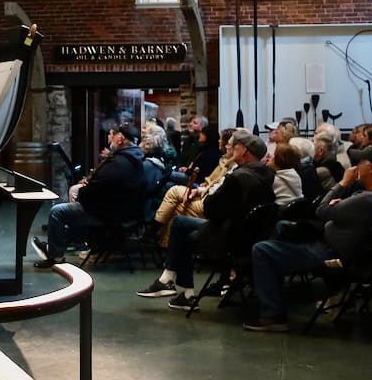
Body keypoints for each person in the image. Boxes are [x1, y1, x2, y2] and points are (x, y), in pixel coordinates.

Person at [242, 144, 372, 332]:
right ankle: (273, 286)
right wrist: (343, 204)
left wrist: (343, 184)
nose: (355, 167)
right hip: (351, 248)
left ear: (371, 167)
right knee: (283, 228)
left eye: (359, 163)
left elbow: (322, 210)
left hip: (333, 255)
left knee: (262, 249)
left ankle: (272, 314)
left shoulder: (365, 200)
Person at [137, 131, 274, 304]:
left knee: (181, 225)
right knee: (180, 221)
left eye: (236, 146)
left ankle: (177, 286)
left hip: (228, 236)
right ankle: (172, 283)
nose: (231, 149)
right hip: (250, 235)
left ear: (244, 151)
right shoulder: (267, 174)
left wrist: (209, 195)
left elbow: (210, 208)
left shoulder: (238, 177)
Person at [34, 124, 147, 267]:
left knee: (57, 211)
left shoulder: (118, 163)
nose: (110, 137)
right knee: (74, 203)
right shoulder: (135, 158)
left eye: (113, 134)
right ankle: (68, 241)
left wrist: (83, 191)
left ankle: (56, 256)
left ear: (120, 139)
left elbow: (93, 192)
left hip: (110, 213)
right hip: (127, 211)